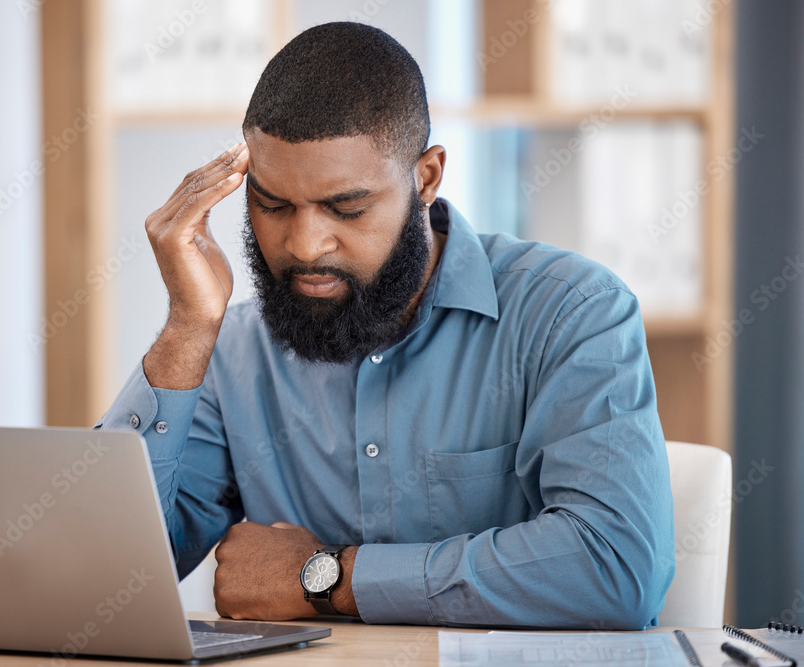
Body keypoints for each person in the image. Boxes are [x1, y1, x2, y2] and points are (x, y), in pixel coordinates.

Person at [96, 21, 674, 629]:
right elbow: (101, 585)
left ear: (425, 179)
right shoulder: (233, 351)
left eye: (346, 208)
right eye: (272, 205)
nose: (305, 244)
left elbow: (616, 569)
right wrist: (188, 326)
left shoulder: (571, 312)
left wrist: (329, 577)